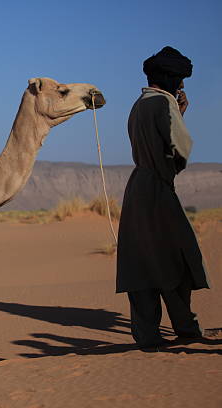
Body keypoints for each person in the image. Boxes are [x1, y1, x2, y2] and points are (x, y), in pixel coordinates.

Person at [116, 46, 210, 349]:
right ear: (169, 78)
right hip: (158, 189)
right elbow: (179, 151)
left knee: (141, 262)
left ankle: (147, 333)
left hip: (137, 190)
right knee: (177, 259)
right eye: (179, 79)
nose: (182, 86)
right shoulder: (163, 104)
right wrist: (179, 117)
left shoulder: (138, 104)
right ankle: (186, 328)